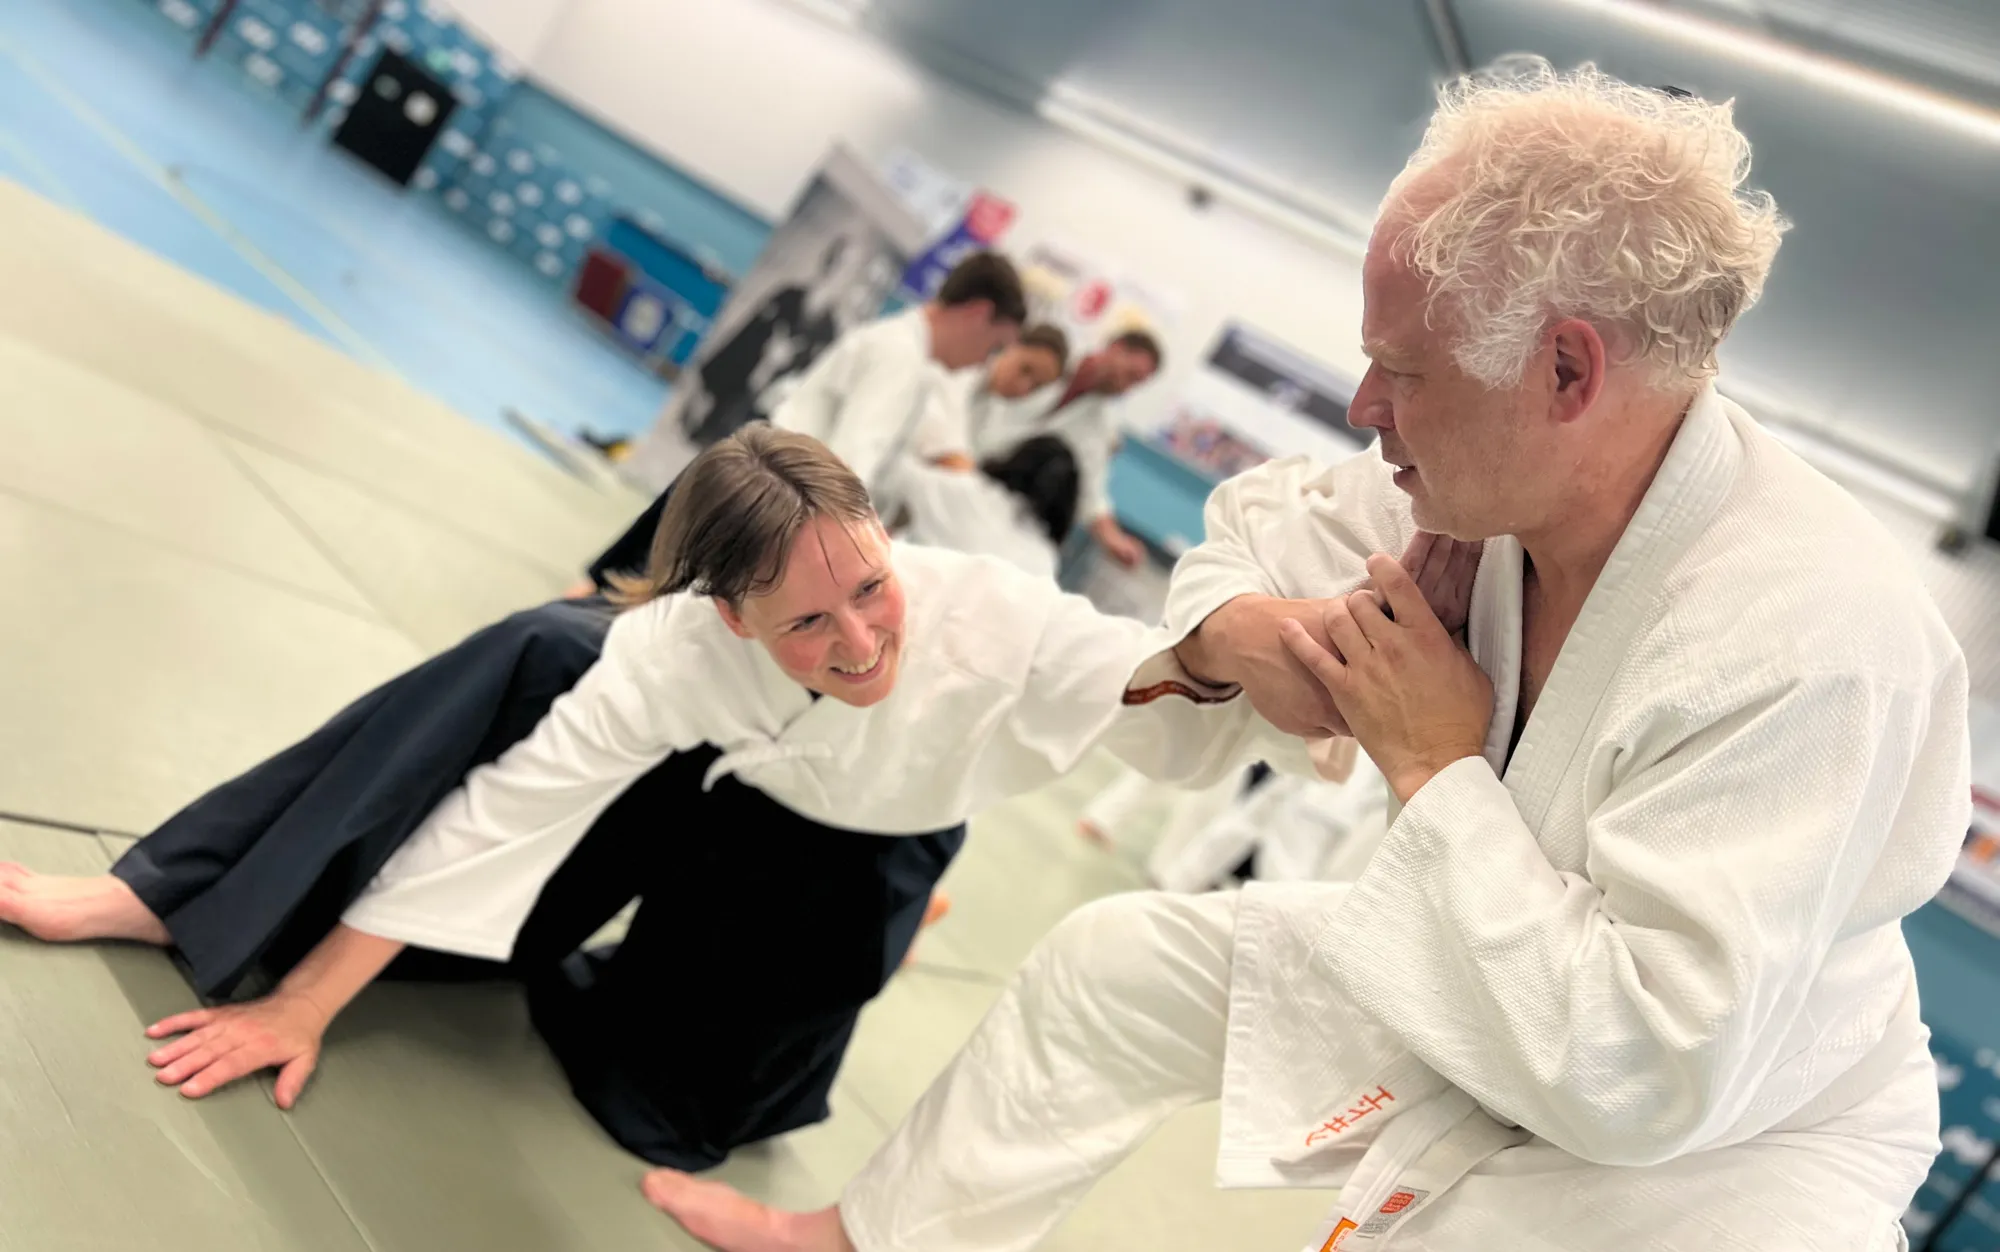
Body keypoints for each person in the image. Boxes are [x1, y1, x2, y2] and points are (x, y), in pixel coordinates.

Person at [639, 61, 1969, 1251]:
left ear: (1568, 371)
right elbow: (1260, 527)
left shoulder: (1811, 646)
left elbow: (1639, 1066)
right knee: (1111, 976)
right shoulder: (1487, 480)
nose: (1363, 406)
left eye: (1404, 368)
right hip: (1507, 967)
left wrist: (1435, 765)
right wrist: (1235, 632)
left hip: (1722, 1142)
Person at [0, 424, 1260, 1174]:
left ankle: (594, 968)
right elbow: (505, 809)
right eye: (807, 620)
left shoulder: (994, 611)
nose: (862, 639)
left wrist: (1260, 645)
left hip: (859, 850)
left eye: (870, 588)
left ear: (887, 537)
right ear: (729, 614)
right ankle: (178, 889)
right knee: (543, 652)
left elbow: (1160, 669)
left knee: (678, 1113)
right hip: (717, 782)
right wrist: (301, 1005)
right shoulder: (671, 650)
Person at [586, 252, 1028, 591]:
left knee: (613, 588)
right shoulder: (901, 359)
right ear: (977, 314)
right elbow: (849, 467)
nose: (981, 363)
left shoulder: (898, 346)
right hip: (755, 501)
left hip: (746, 479)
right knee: (624, 606)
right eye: (993, 346)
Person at [930, 328, 1164, 570]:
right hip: (944, 445)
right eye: (1130, 374)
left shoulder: (1101, 426)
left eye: (1136, 383)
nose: (1126, 388)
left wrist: (1114, 540)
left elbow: (1091, 493)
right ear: (1116, 348)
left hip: (982, 490)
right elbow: (973, 382)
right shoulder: (1048, 356)